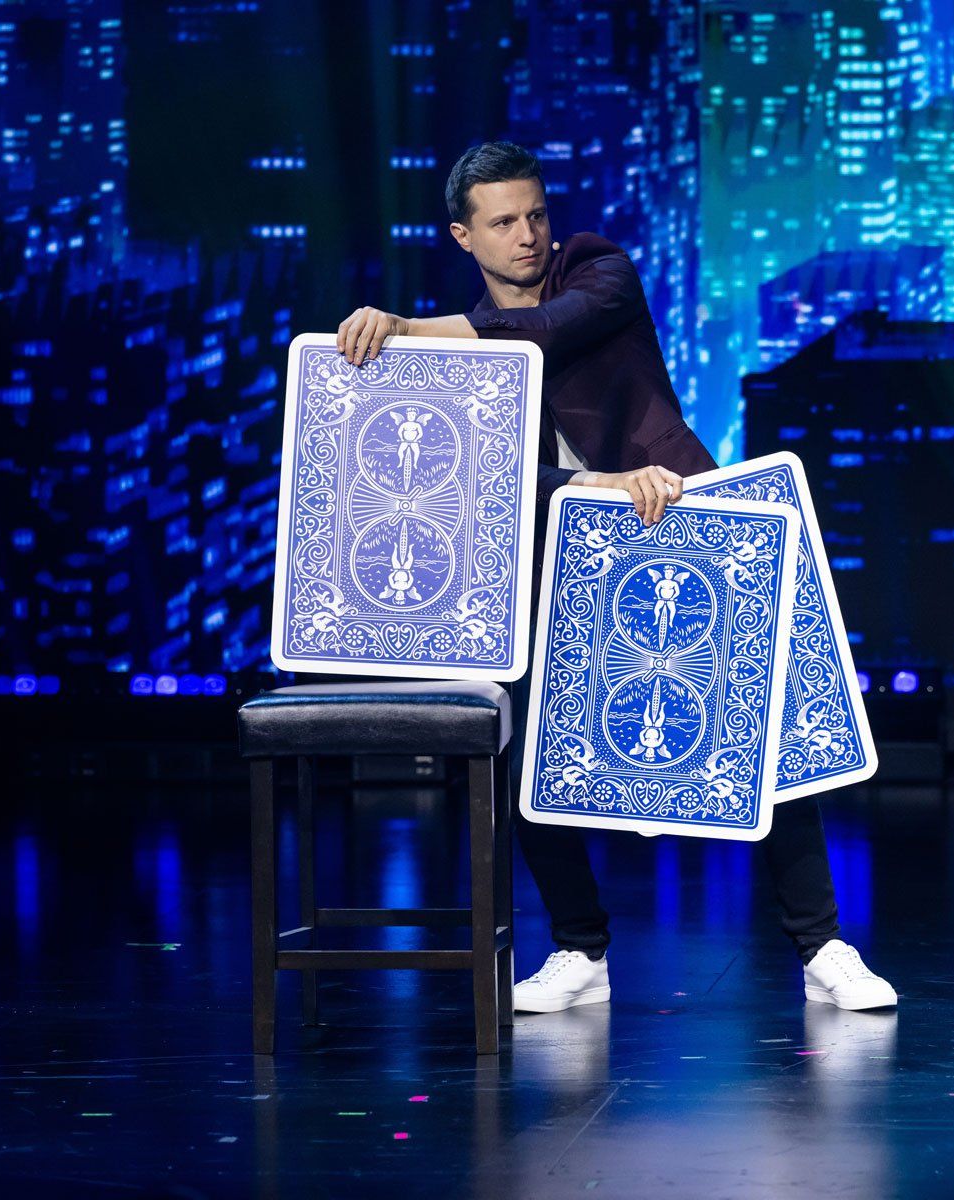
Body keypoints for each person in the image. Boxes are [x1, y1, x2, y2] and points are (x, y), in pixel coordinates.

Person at [334, 141, 896, 1014]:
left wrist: (403, 329)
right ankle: (579, 949)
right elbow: (484, 478)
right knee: (527, 745)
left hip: (673, 519)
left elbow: (542, 333)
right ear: (463, 236)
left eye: (535, 214)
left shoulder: (598, 270)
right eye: (503, 223)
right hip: (560, 551)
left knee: (761, 728)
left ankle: (823, 947)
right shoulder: (457, 358)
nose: (527, 235)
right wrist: (585, 483)